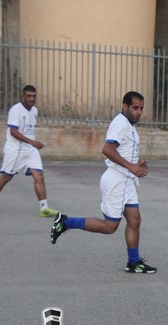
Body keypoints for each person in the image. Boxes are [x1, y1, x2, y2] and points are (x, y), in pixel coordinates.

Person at [50, 91, 156, 274]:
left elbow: (122, 151)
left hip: (126, 181)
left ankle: (134, 262)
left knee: (134, 220)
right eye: (135, 108)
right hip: (117, 180)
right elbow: (107, 149)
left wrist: (136, 164)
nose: (139, 112)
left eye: (141, 108)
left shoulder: (129, 125)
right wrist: (131, 167)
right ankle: (65, 222)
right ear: (124, 106)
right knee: (110, 227)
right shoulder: (120, 124)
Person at [0, 85, 59, 217]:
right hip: (15, 149)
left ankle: (44, 208)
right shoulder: (15, 110)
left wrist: (31, 144)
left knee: (39, 175)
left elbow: (29, 131)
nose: (32, 98)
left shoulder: (34, 110)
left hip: (30, 150)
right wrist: (32, 142)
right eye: (29, 96)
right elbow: (13, 132)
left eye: (34, 96)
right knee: (7, 177)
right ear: (23, 96)